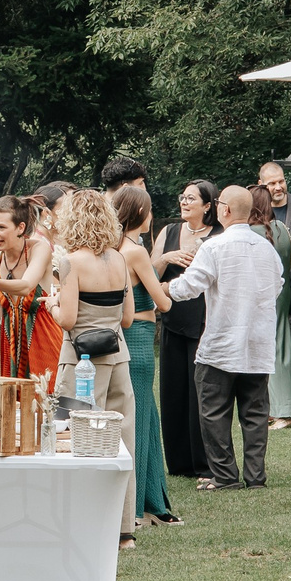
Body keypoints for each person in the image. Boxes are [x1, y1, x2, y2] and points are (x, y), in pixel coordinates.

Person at [161, 185, 284, 492]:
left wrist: (162, 289)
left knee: (214, 412)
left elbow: (189, 286)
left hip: (220, 342)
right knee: (255, 414)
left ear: (225, 210)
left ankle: (226, 476)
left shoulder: (214, 246)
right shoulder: (266, 248)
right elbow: (278, 285)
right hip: (257, 343)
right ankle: (256, 477)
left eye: (218, 204)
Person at [54, 188, 145, 550]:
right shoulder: (121, 261)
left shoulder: (70, 263)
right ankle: (123, 530)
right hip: (117, 359)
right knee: (122, 443)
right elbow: (126, 320)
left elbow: (69, 319)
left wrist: (52, 304)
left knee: (73, 440)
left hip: (80, 362)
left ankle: (78, 519)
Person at [110, 186, 180, 528]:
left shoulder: (110, 248)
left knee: (147, 419)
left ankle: (153, 501)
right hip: (138, 338)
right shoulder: (134, 251)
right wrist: (169, 287)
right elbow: (162, 302)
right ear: (140, 215)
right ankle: (134, 509)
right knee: (136, 423)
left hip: (120, 335)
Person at [153, 179, 220, 481]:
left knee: (199, 394)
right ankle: (178, 463)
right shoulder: (168, 232)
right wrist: (166, 258)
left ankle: (204, 463)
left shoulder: (220, 235)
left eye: (192, 198)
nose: (184, 202)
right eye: (183, 197)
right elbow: (149, 272)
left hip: (205, 321)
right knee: (173, 391)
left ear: (208, 206)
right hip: (172, 319)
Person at [0, 195, 62, 388]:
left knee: (47, 403)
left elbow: (26, 286)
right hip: (9, 343)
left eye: (1, 227)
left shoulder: (39, 249)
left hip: (44, 338)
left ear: (20, 227)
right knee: (12, 406)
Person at [251, 184, 291, 429]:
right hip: (281, 294)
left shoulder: (251, 231)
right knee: (281, 347)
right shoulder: (281, 228)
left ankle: (286, 411)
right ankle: (278, 408)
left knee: (273, 352)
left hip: (261, 297)